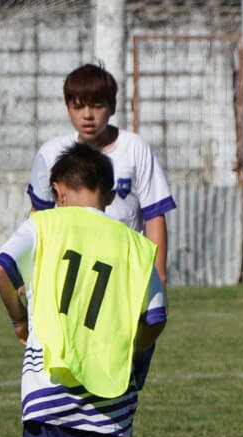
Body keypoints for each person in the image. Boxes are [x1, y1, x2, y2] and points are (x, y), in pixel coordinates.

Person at [0, 142, 168, 437]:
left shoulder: (44, 224)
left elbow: (2, 267)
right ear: (110, 196)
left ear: (58, 190)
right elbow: (156, 318)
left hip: (52, 376)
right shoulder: (133, 245)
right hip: (111, 385)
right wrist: (128, 351)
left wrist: (19, 319)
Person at [28, 63, 176, 285]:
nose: (87, 115)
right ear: (67, 108)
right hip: (68, 274)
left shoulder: (135, 148)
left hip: (123, 273)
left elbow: (154, 215)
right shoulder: (51, 154)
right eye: (78, 107)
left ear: (113, 106)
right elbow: (37, 218)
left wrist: (158, 278)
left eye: (97, 106)